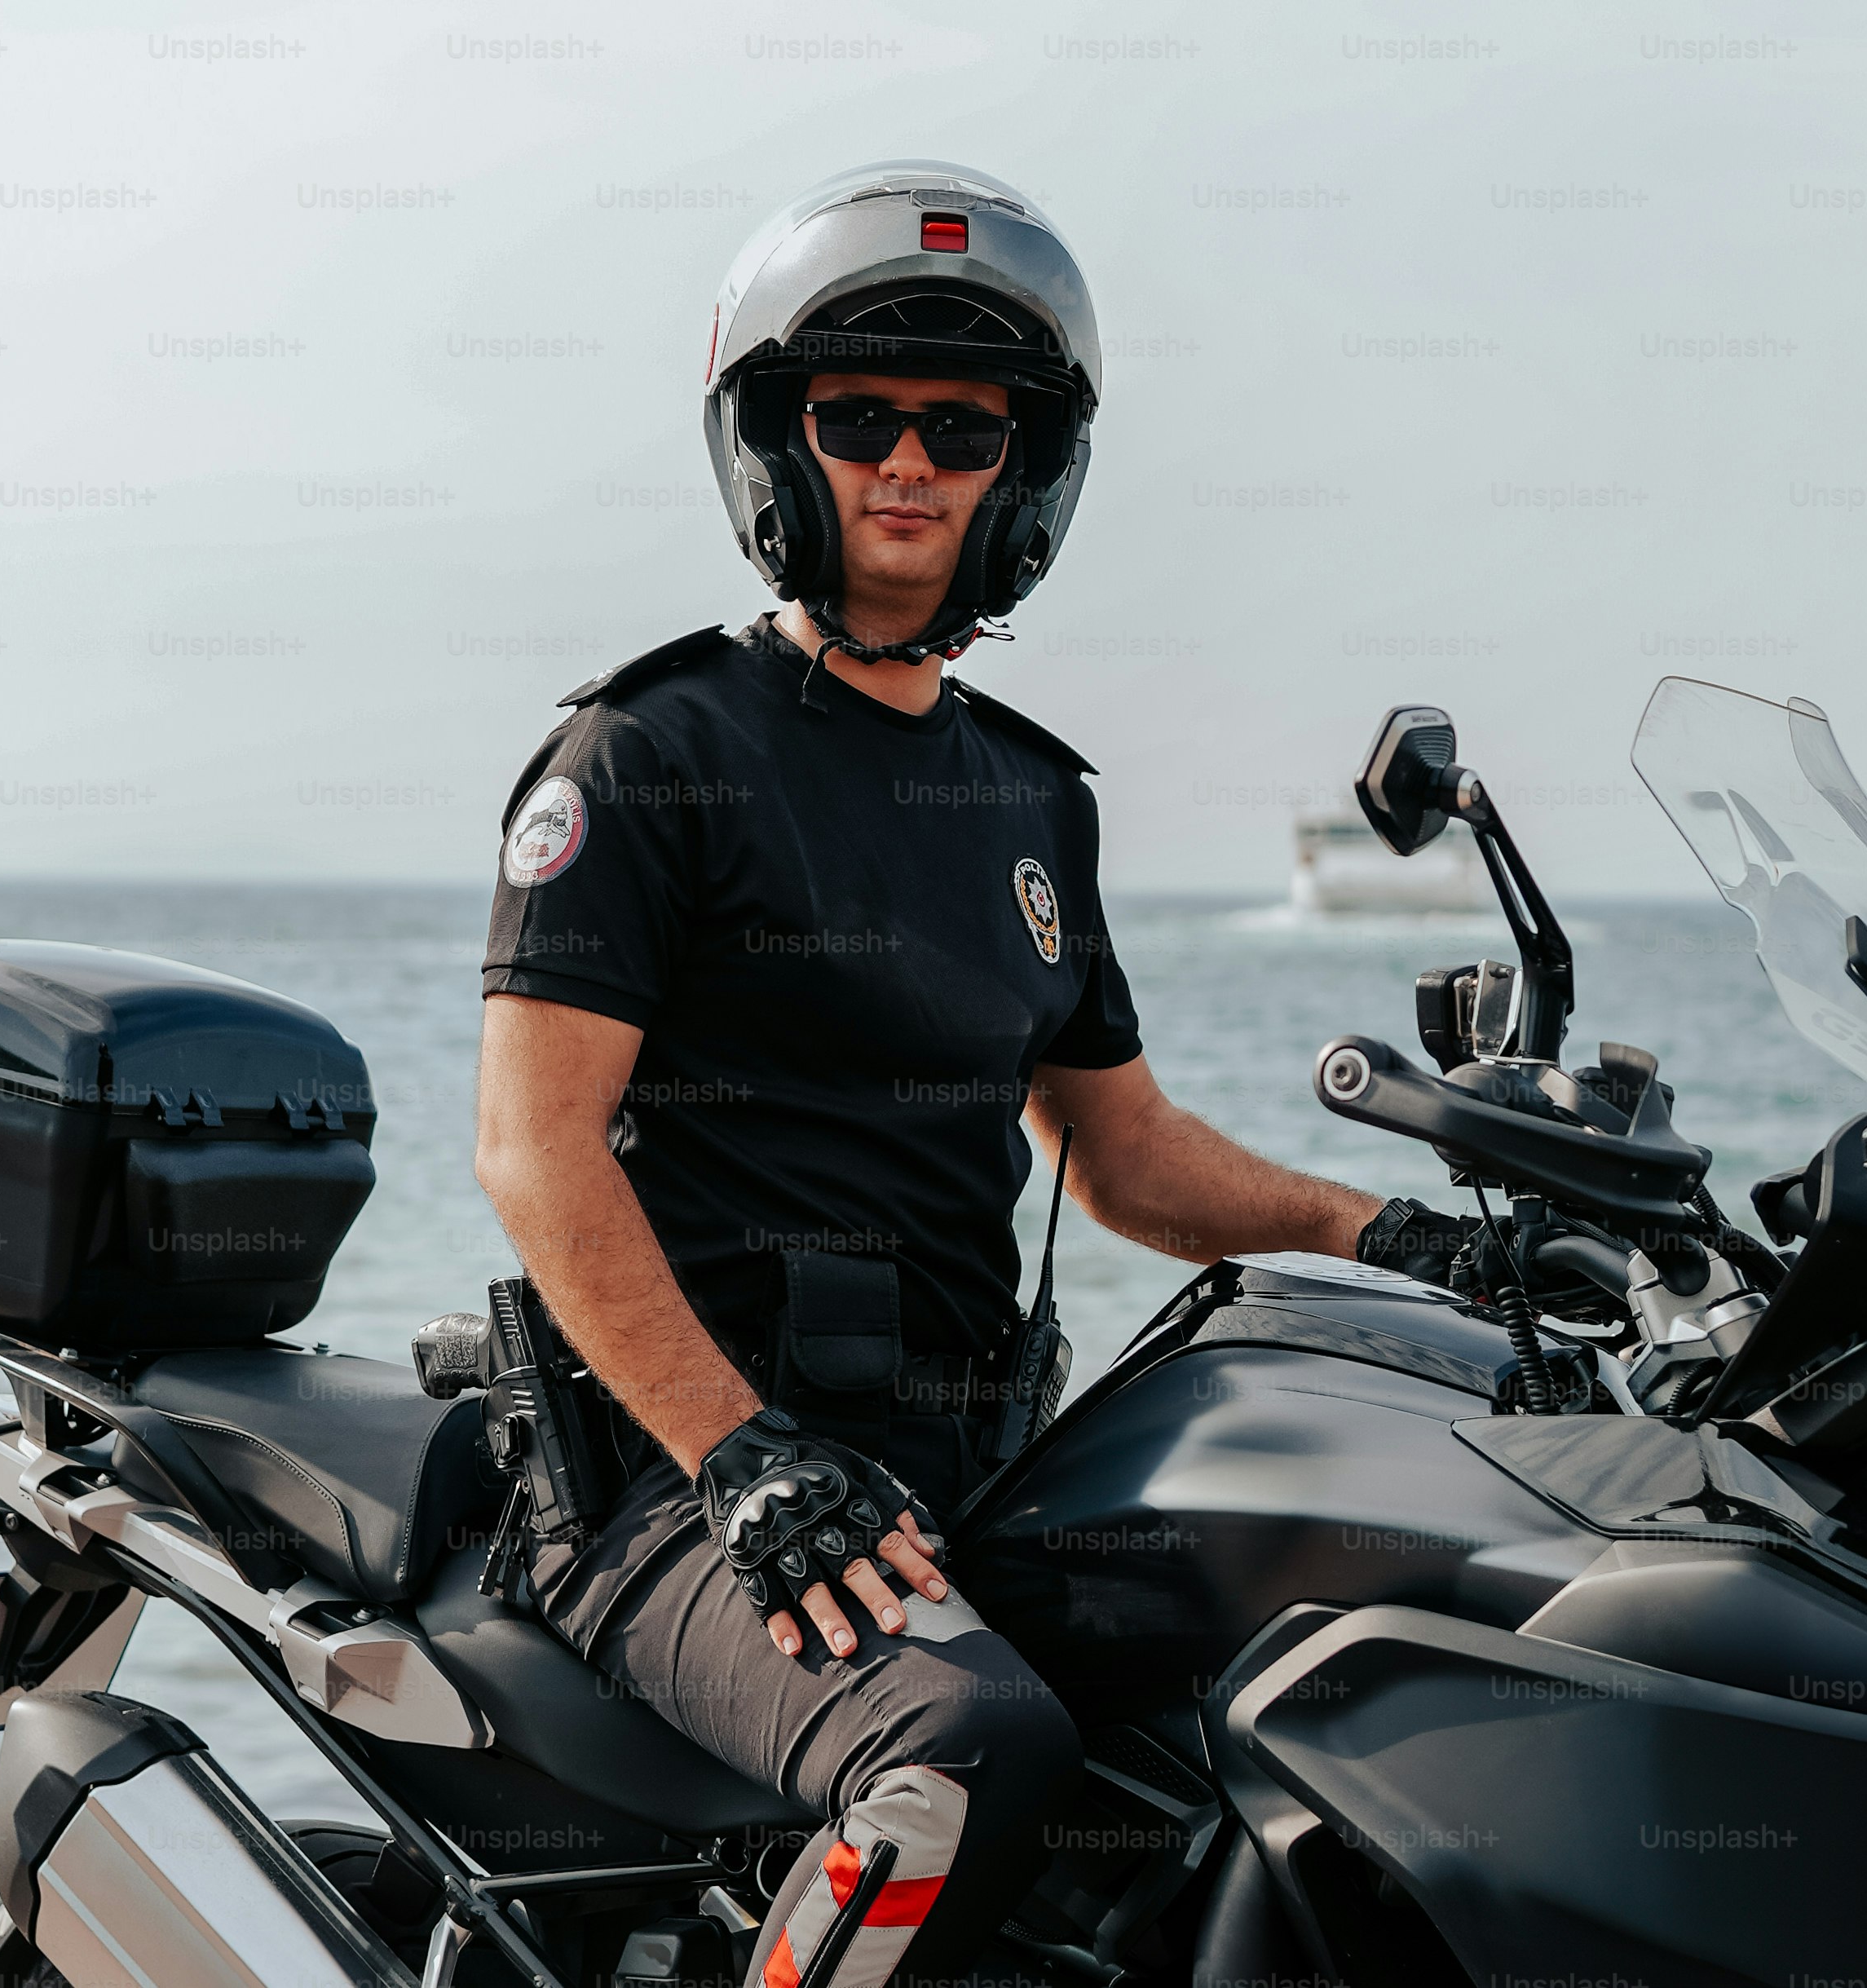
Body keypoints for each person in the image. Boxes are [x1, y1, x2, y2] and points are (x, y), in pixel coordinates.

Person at [474, 161, 1464, 1988]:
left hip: (953, 1474)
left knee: (1341, 1667)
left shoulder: (1030, 798)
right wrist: (744, 1458)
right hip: (684, 1490)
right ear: (781, 443)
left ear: (1027, 471)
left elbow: (1129, 1153)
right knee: (962, 1750)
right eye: (857, 418)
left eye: (961, 427)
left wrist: (1398, 1232)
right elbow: (533, 1152)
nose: (909, 464)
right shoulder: (649, 751)